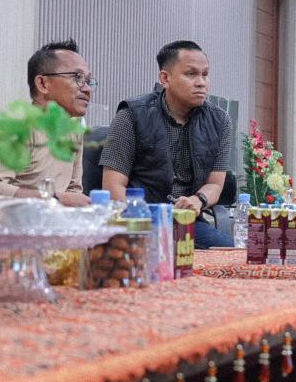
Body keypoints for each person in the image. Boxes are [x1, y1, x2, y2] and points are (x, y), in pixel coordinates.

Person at [99, 40, 234, 248]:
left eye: (205, 74)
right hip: (139, 221)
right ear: (165, 78)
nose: (201, 82)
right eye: (191, 74)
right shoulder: (132, 115)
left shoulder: (220, 121)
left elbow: (215, 184)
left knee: (232, 253)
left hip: (186, 223)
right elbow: (112, 186)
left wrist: (198, 200)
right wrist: (143, 226)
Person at [0, 39, 91, 205]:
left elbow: (73, 191)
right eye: (77, 77)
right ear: (43, 83)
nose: (87, 89)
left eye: (88, 81)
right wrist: (56, 199)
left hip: (48, 220)